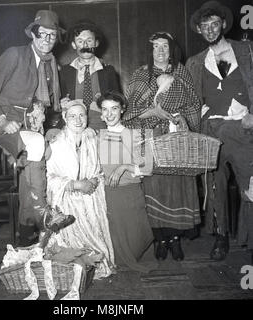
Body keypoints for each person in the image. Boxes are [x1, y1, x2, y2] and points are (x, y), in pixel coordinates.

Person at [0, 10, 64, 246]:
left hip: (31, 126)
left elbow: (48, 104)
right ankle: (42, 211)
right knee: (37, 145)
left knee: (40, 157)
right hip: (1, 125)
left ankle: (27, 231)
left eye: (52, 35)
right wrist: (3, 120)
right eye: (43, 34)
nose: (47, 40)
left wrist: (61, 113)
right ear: (33, 34)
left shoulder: (51, 63)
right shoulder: (14, 55)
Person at [122, 32, 201, 261]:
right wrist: (154, 112)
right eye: (156, 46)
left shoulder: (182, 72)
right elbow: (128, 114)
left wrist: (182, 118)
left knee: (176, 189)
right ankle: (160, 239)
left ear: (172, 49)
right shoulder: (140, 74)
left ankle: (175, 239)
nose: (160, 51)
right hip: (148, 138)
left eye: (165, 46)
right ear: (150, 50)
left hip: (176, 138)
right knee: (152, 188)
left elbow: (194, 104)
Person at [186, 1, 253, 261]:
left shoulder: (246, 50)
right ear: (200, 31)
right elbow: (190, 99)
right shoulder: (195, 62)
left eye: (215, 24)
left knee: (250, 183)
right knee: (216, 185)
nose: (210, 30)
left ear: (223, 25)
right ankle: (221, 237)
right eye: (205, 27)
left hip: (242, 129)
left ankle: (248, 239)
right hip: (211, 130)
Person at [45, 99, 115, 279]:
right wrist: (75, 185)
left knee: (97, 246)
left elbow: (100, 170)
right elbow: (49, 177)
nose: (77, 120)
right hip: (67, 202)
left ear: (87, 117)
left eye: (81, 115)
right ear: (64, 117)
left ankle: (94, 263)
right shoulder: (56, 142)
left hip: (91, 200)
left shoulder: (92, 137)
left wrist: (93, 181)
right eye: (72, 116)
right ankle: (75, 267)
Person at [97, 91, 154, 273]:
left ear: (122, 110)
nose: (109, 114)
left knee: (137, 237)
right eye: (105, 110)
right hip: (107, 194)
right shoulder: (96, 136)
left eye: (114, 109)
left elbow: (148, 169)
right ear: (100, 113)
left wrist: (124, 167)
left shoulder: (137, 135)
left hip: (130, 192)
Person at [59, 20, 120, 131]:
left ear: (96, 43)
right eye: (80, 41)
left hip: (101, 125)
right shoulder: (65, 71)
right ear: (74, 45)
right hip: (74, 126)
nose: (85, 45)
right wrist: (61, 103)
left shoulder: (108, 71)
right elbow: (58, 100)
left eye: (89, 40)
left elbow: (117, 101)